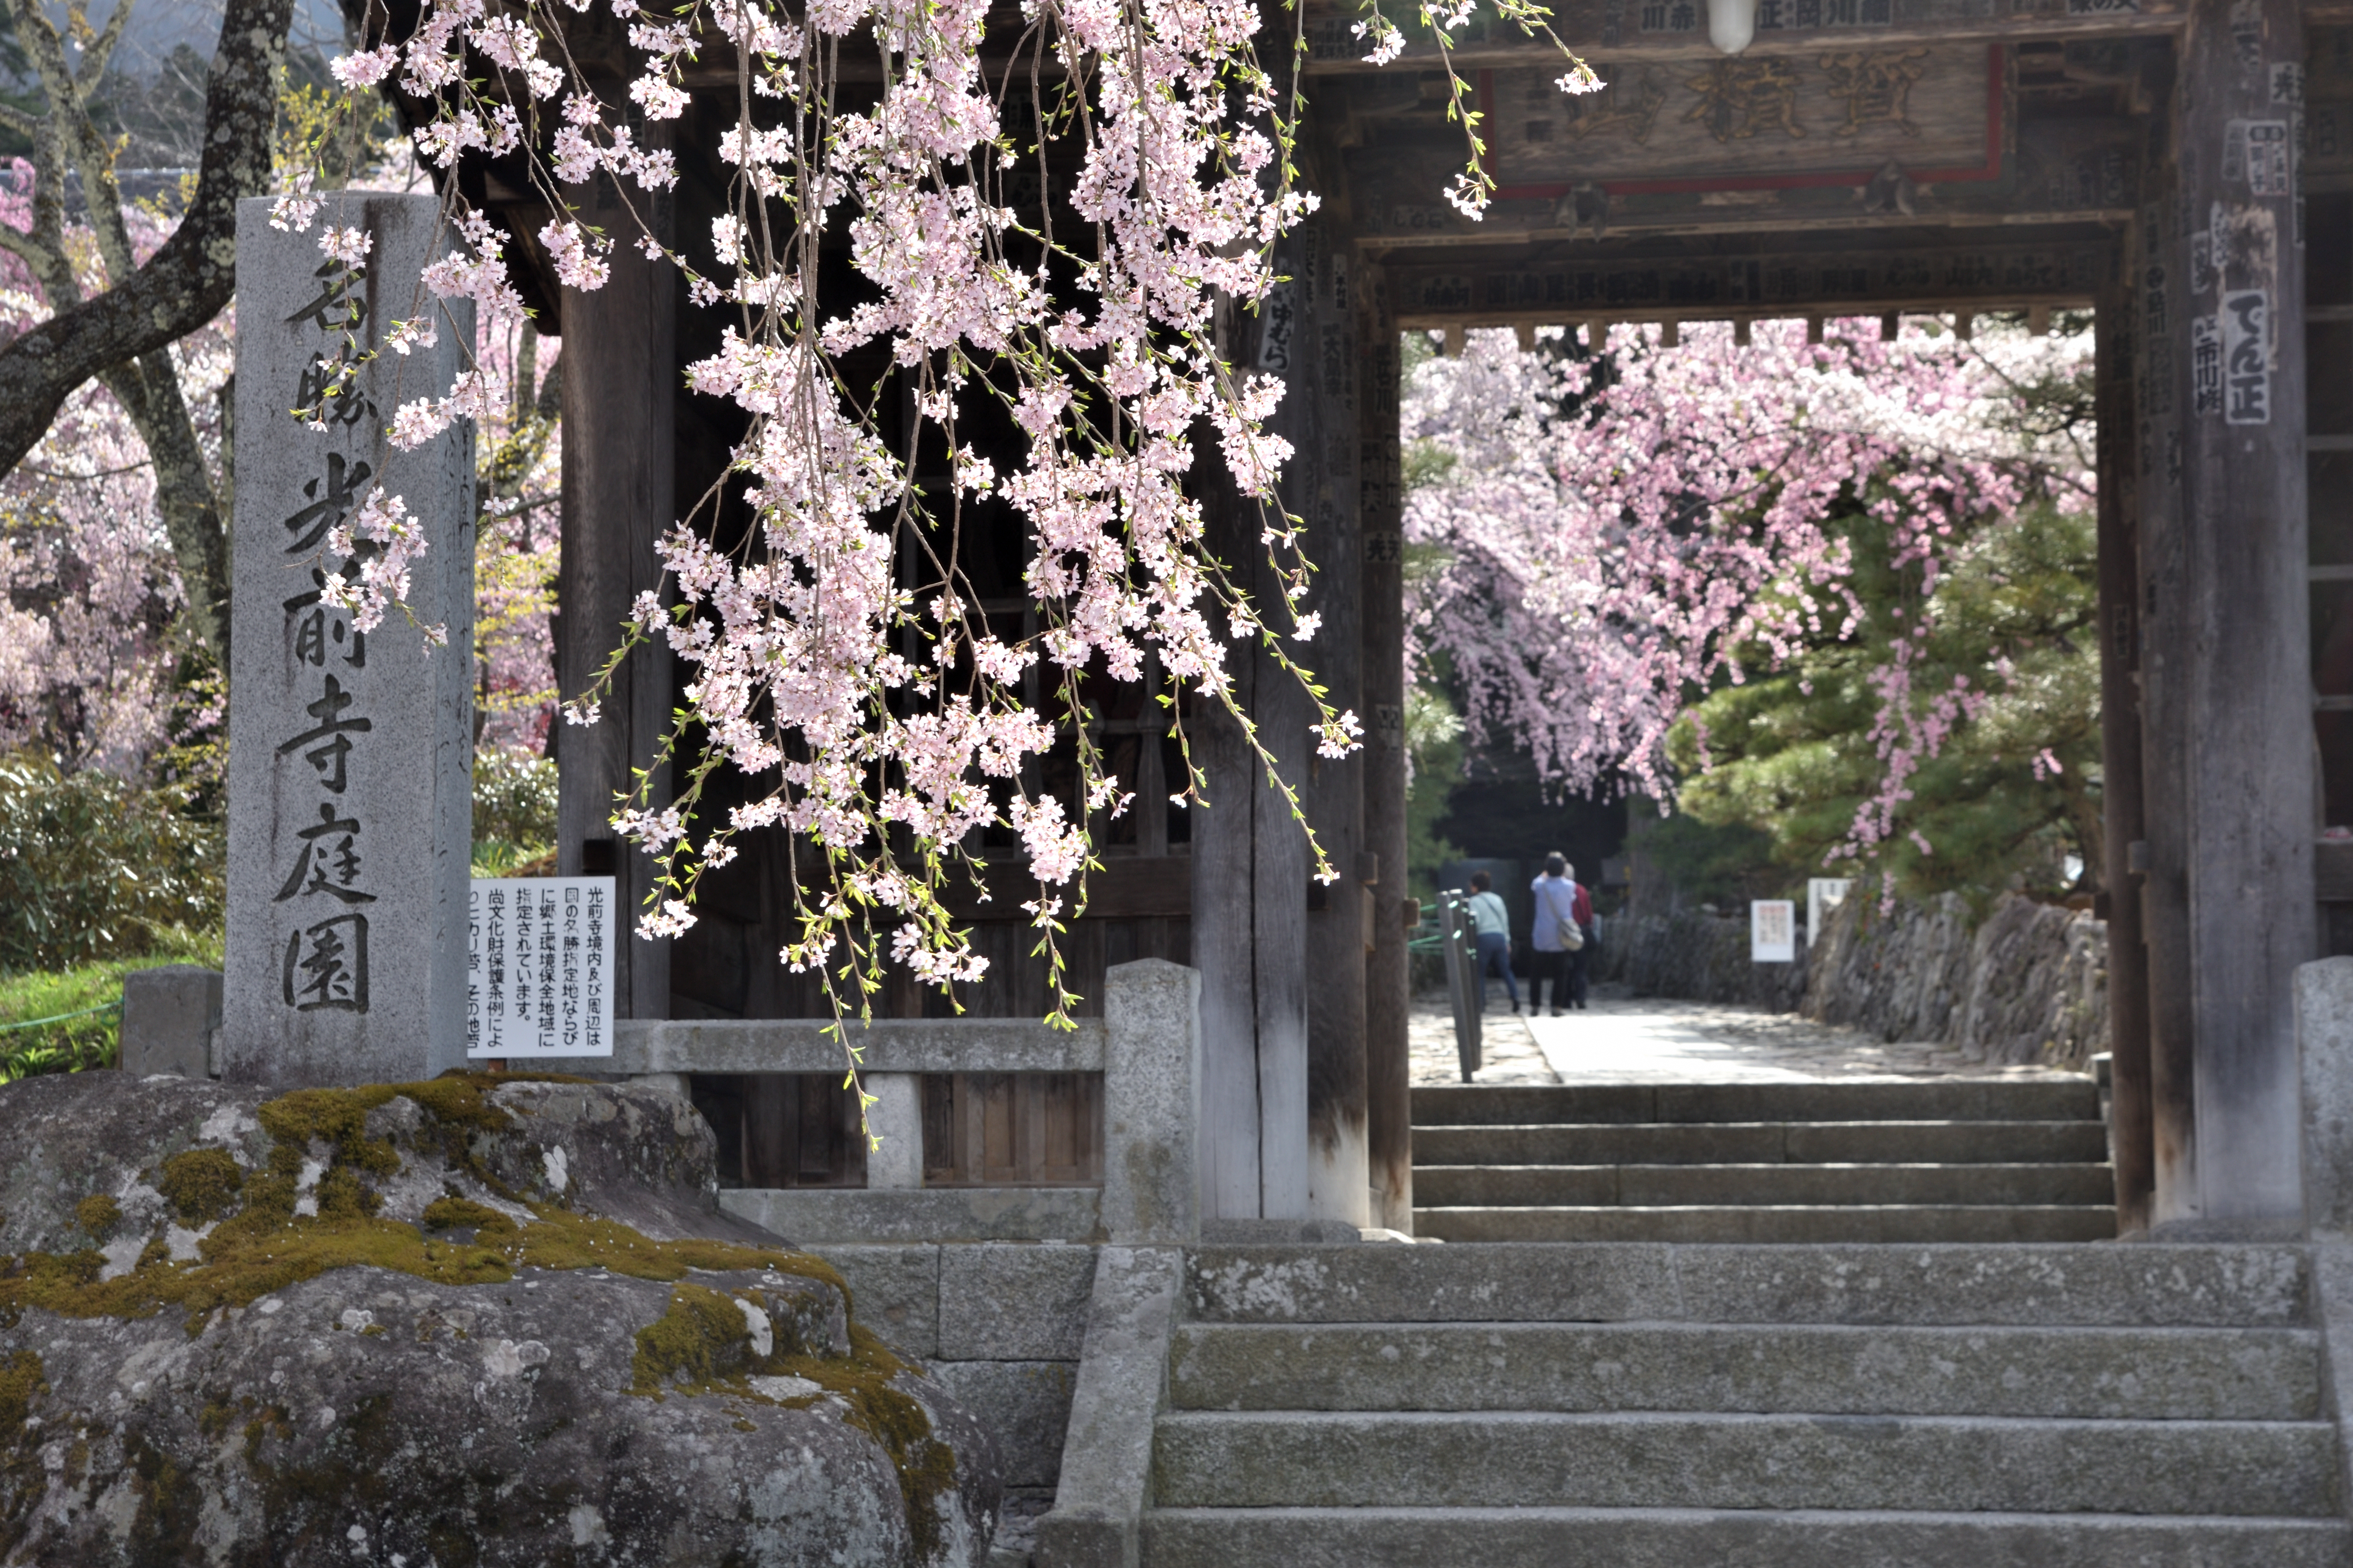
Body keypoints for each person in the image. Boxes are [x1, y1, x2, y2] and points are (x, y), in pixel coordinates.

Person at [1529, 852, 1585, 1016]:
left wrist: (1546, 872)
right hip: (1562, 935)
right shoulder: (1570, 886)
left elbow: (1538, 881)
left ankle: (1535, 1005)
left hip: (1541, 935)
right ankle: (1557, 1007)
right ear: (1563, 870)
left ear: (1546, 869)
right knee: (1561, 974)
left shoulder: (1539, 885)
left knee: (1536, 974)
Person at [1464, 870, 1518, 1013]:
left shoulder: (1474, 902)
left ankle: (1481, 1004)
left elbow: (1476, 922)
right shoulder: (1498, 899)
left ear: (1476, 886)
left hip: (1484, 938)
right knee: (1506, 970)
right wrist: (1507, 941)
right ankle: (1515, 997)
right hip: (1500, 937)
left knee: (1480, 973)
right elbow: (1504, 920)